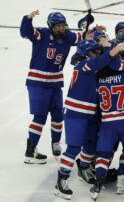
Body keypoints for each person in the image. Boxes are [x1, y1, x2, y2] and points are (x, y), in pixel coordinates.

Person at [54, 39, 124, 200]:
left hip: (88, 114)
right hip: (76, 114)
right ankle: (61, 181)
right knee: (73, 148)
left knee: (91, 143)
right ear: (87, 53)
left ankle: (84, 168)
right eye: (95, 51)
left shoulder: (88, 65)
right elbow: (101, 60)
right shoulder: (84, 65)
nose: (97, 53)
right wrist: (114, 49)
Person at [20, 10, 82, 164]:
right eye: (58, 26)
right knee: (40, 117)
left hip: (55, 83)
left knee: (58, 115)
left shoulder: (68, 37)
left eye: (63, 25)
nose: (62, 28)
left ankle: (55, 143)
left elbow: (83, 37)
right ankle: (31, 150)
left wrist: (91, 27)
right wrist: (28, 18)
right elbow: (25, 32)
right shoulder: (42, 34)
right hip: (38, 82)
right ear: (51, 26)